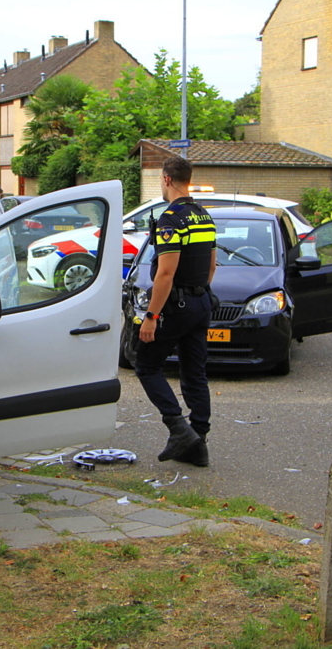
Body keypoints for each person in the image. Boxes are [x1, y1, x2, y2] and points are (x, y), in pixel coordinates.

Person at [134, 156, 217, 467]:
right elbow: (211, 266)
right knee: (195, 373)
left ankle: (178, 428)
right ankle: (198, 444)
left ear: (166, 179)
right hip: (201, 303)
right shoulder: (203, 216)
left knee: (145, 364)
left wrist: (152, 316)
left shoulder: (171, 219)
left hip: (176, 307)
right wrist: (198, 293)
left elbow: (165, 274)